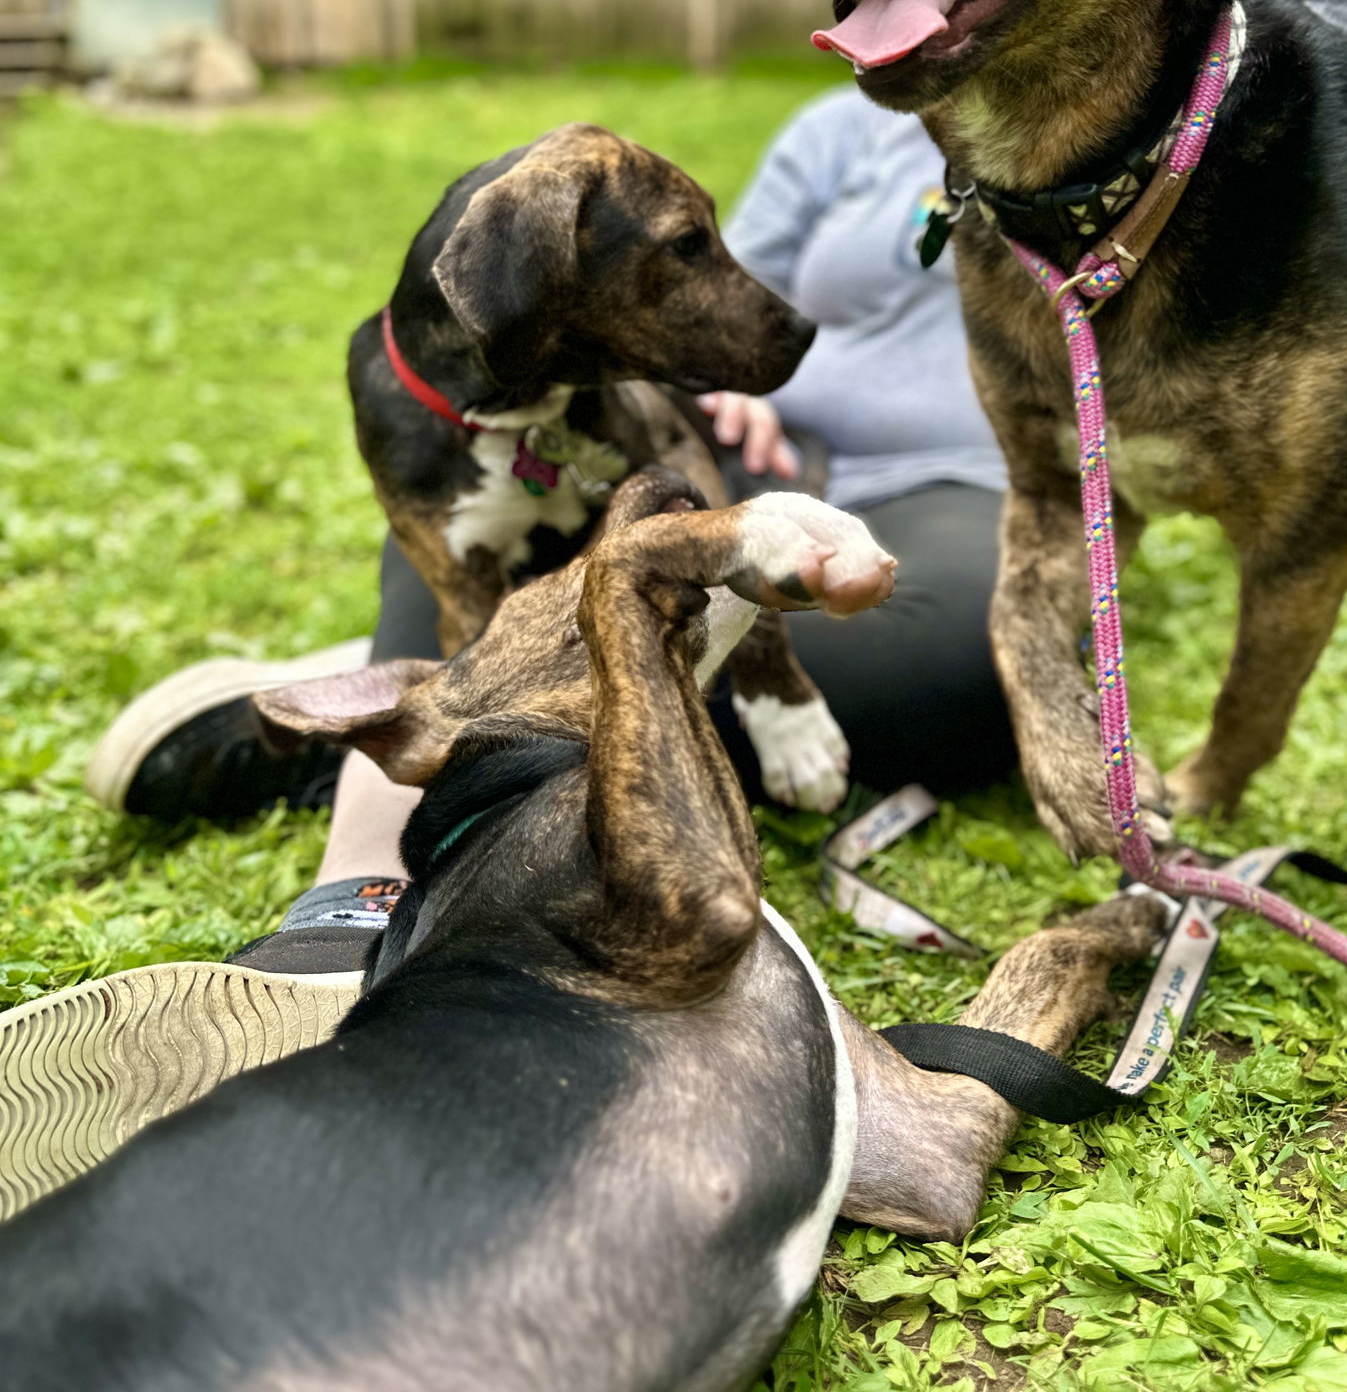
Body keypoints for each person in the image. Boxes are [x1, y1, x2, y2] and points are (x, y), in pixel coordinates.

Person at [80, 90, 1018, 989]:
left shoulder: (1142, 137)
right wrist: (712, 394)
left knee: (966, 670)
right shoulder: (846, 130)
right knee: (462, 525)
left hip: (938, 485)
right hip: (728, 432)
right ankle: (359, 879)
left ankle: (388, 714)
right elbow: (731, 278)